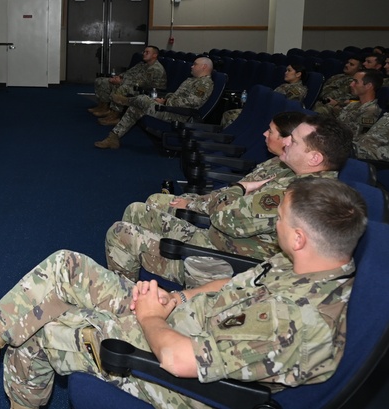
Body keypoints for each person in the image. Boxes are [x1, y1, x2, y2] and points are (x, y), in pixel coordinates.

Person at [0, 177, 366, 409]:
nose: (276, 225)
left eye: (281, 220)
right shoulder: (303, 265)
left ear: (301, 236)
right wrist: (176, 300)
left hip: (184, 372)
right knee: (67, 265)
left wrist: (151, 318)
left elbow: (183, 362)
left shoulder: (298, 323)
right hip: (175, 320)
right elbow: (231, 284)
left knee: (46, 328)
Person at [104, 115, 351, 287]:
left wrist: (238, 188)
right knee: (137, 211)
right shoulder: (300, 177)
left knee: (120, 233)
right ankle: (129, 288)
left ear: (315, 158)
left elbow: (224, 218)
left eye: (294, 141)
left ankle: (124, 300)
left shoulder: (297, 193)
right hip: (217, 242)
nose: (285, 141)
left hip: (219, 262)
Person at [94, 56, 214, 150]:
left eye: (195, 65)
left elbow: (191, 103)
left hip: (178, 115)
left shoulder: (204, 84)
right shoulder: (193, 80)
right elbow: (178, 97)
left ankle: (126, 101)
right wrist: (166, 99)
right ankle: (113, 137)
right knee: (135, 108)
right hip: (170, 108)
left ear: (204, 67)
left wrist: (167, 101)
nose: (192, 67)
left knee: (141, 99)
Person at [89, 46, 167, 125]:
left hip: (148, 91)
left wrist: (120, 82)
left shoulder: (155, 69)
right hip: (133, 85)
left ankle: (115, 116)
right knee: (102, 81)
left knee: (122, 88)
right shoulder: (143, 64)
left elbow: (141, 82)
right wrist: (119, 77)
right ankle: (103, 106)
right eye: (144, 52)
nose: (144, 54)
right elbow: (129, 73)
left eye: (147, 52)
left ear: (155, 55)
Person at [217, 63, 307, 127]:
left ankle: (228, 140)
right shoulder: (285, 85)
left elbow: (285, 108)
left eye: (289, 70)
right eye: (286, 70)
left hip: (272, 114)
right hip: (265, 109)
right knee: (228, 113)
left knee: (231, 116)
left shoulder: (297, 90)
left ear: (298, 74)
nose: (285, 72)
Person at [336, 69, 383, 138]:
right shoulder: (353, 104)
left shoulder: (371, 110)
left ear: (368, 86)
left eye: (355, 82)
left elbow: (357, 137)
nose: (351, 84)